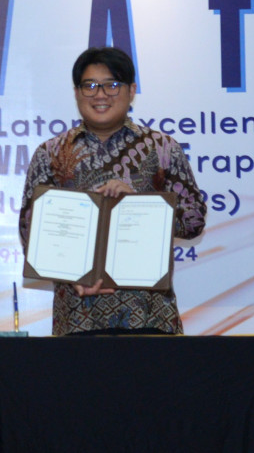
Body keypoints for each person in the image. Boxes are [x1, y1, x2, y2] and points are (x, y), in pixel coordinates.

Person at [19, 47, 207, 336]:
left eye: (112, 85)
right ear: (77, 92)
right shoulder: (50, 153)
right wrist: (69, 276)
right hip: (77, 318)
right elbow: (31, 231)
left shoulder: (163, 148)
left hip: (150, 316)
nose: (100, 94)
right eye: (90, 85)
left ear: (131, 91)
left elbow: (193, 221)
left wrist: (138, 205)